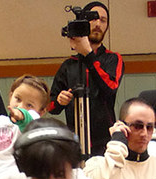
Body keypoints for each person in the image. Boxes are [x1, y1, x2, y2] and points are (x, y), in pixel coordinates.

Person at [49, 1, 124, 156]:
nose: (98, 24)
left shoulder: (113, 59)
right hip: (73, 143)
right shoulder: (69, 65)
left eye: (103, 20)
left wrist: (88, 55)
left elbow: (110, 88)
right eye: (93, 18)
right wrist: (59, 101)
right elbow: (51, 106)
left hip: (105, 142)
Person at [0, 74, 50, 179]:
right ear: (11, 96)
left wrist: (22, 114)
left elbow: (27, 120)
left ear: (41, 112)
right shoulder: (0, 121)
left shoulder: (35, 125)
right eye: (18, 99)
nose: (20, 106)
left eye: (29, 105)